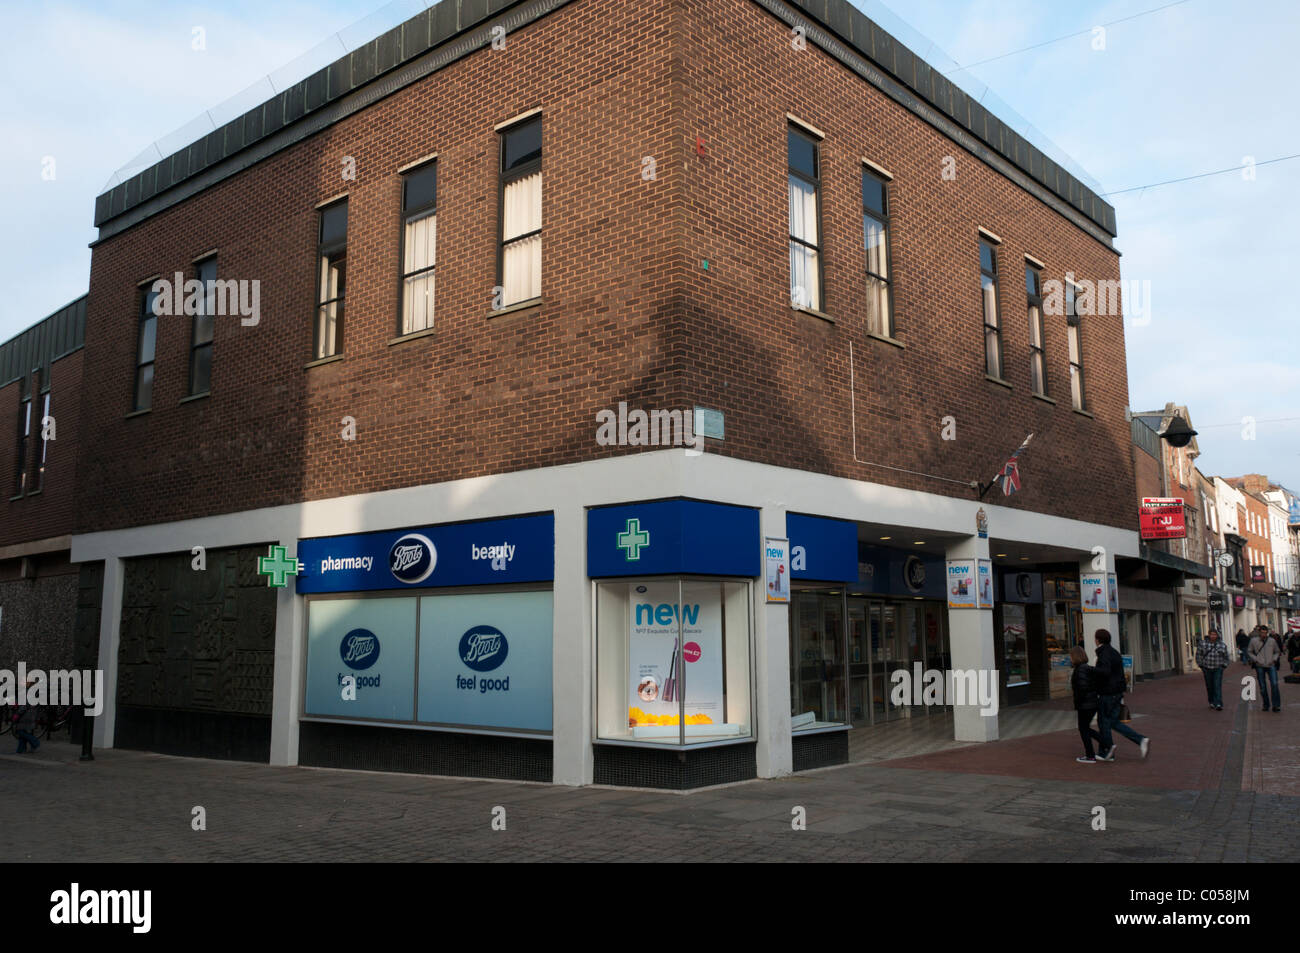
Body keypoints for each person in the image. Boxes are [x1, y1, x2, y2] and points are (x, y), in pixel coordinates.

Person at [1093, 629, 1149, 761]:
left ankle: (1107, 750)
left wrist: (1092, 671)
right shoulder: (1115, 653)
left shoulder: (1103, 654)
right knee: (1113, 722)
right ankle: (1140, 740)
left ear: (1097, 640)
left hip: (1107, 693)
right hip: (1116, 693)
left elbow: (1104, 672)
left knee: (1104, 722)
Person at [1070, 646, 1104, 763]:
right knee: (1085, 728)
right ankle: (1105, 743)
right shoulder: (1088, 668)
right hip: (1092, 702)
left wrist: (1079, 701)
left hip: (1085, 704)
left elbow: (1082, 688)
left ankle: (1091, 754)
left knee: (1083, 728)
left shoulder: (1080, 670)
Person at [1194, 628, 1230, 710]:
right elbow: (1198, 655)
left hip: (1218, 668)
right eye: (1211, 634)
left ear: (1217, 635)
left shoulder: (1222, 645)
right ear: (1209, 635)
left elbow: (1226, 657)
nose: (1213, 636)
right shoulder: (1203, 644)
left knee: (1217, 685)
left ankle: (1219, 703)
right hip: (1207, 668)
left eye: (1214, 634)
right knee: (1210, 686)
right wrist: (1201, 665)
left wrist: (1224, 665)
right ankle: (1211, 701)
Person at [1247, 626, 1281, 712]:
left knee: (1274, 684)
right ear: (1259, 632)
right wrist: (1256, 659)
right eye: (1262, 633)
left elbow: (1277, 651)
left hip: (1271, 665)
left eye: (1265, 633)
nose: (1264, 634)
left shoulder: (1272, 641)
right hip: (1260, 665)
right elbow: (1249, 651)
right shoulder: (1253, 641)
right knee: (1262, 686)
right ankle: (1266, 704)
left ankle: (1276, 705)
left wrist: (1274, 659)